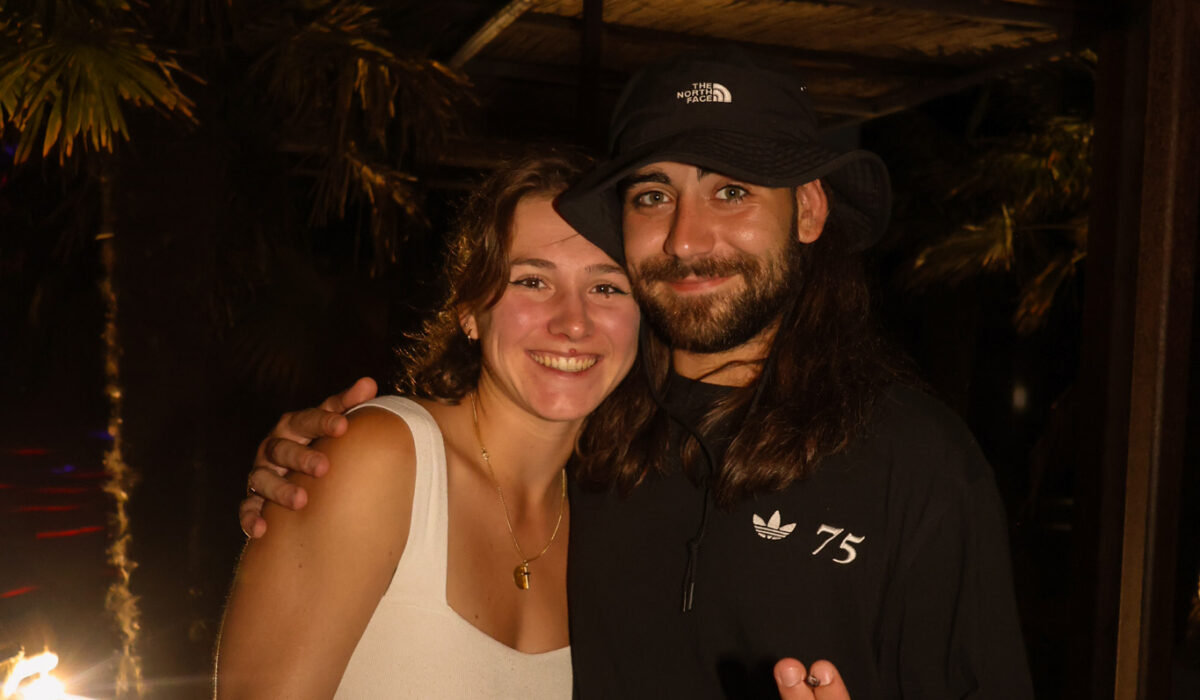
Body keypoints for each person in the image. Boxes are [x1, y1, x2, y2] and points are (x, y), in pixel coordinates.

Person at [239, 49, 1033, 699]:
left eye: (731, 191)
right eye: (654, 195)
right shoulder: (587, 442)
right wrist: (327, 470)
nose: (687, 239)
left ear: (809, 210)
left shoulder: (919, 465)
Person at [216, 152, 641, 698]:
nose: (573, 322)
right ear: (470, 310)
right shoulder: (383, 460)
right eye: (533, 281)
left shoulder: (618, 517)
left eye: (607, 288)